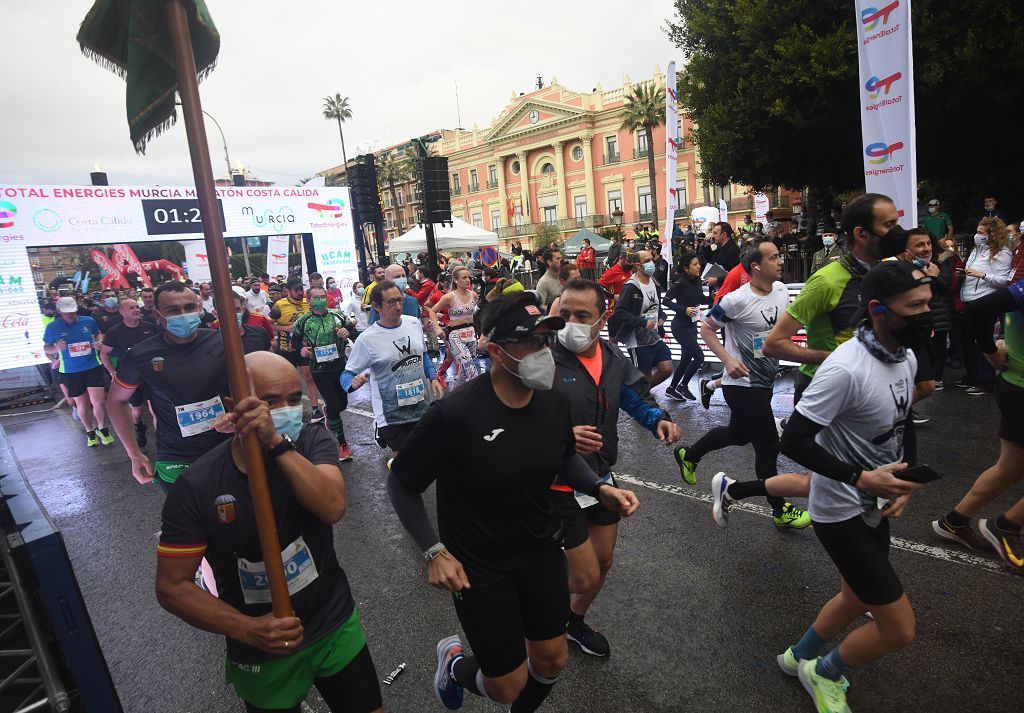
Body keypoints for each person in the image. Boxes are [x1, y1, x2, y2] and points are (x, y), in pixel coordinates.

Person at [386, 291, 639, 711]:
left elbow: (562, 456)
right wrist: (434, 552)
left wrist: (599, 487)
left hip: (539, 549)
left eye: (544, 340)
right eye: (528, 341)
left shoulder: (553, 400)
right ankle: (453, 664)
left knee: (553, 659)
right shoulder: (455, 414)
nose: (541, 351)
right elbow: (402, 485)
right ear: (495, 350)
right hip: (479, 566)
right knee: (505, 685)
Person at [155, 351, 384, 713]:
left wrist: (277, 443)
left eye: (294, 399)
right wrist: (247, 629)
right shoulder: (197, 486)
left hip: (333, 620)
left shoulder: (312, 441)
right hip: (264, 646)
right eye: (270, 401)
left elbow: (331, 507)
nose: (286, 409)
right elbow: (172, 587)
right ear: (235, 406)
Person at [775, 261, 932, 713]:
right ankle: (824, 672)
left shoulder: (905, 356)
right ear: (879, 309)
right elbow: (795, 440)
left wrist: (903, 479)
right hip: (840, 508)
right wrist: (861, 477)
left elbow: (902, 423)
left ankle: (797, 657)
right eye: (915, 306)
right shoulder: (845, 369)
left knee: (856, 595)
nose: (927, 314)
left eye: (928, 304)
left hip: (875, 504)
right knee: (899, 629)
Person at [552, 279, 679, 657]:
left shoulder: (611, 357)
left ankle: (571, 622)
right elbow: (517, 416)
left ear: (602, 319)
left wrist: (657, 418)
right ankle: (540, 613)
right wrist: (561, 435)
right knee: (584, 574)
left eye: (581, 315)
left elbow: (634, 397)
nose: (571, 322)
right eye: (564, 314)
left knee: (603, 560)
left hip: (599, 476)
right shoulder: (541, 357)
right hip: (556, 480)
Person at [674, 241, 810, 529]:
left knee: (737, 434)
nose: (781, 261)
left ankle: (690, 453)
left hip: (765, 379)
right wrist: (726, 361)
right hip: (742, 384)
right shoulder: (736, 300)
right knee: (768, 447)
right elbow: (707, 328)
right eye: (774, 257)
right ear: (756, 266)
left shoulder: (782, 291)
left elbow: (779, 330)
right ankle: (780, 508)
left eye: (779, 255)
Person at [763, 193, 909, 403]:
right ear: (861, 233)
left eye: (896, 223)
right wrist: (834, 359)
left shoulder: (888, 274)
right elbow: (773, 344)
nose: (897, 232)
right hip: (823, 387)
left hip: (869, 387)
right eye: (889, 225)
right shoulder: (826, 281)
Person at [931, 274, 1024, 571]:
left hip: (1015, 386)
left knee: (1010, 467)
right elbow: (979, 308)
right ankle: (1006, 526)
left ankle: (954, 522)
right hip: (1020, 386)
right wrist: (990, 351)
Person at [106, 282, 231, 490]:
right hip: (176, 457)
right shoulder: (140, 354)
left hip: (226, 447)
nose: (183, 314)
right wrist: (134, 454)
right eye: (173, 310)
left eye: (189, 307)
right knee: (188, 521)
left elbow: (248, 386)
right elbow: (116, 401)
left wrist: (240, 415)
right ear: (157, 314)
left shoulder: (222, 341)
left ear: (199, 308)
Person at [341, 280, 444, 455]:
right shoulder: (367, 339)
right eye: (391, 302)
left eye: (400, 300)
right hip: (392, 416)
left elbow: (423, 354)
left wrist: (433, 377)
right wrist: (352, 383)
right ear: (376, 306)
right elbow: (346, 374)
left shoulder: (413, 323)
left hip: (420, 407)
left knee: (425, 460)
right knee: (408, 464)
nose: (398, 306)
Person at [292, 286, 355, 461]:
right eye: (316, 297)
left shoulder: (338, 315)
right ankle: (342, 444)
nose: (321, 299)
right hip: (319, 369)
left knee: (342, 404)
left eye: (323, 296)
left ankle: (328, 412)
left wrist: (347, 333)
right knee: (334, 404)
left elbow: (354, 333)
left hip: (339, 365)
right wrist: (302, 350)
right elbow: (295, 341)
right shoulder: (303, 321)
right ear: (309, 300)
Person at [43, 296, 114, 447]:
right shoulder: (53, 327)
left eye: (73, 311)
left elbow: (97, 333)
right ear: (60, 311)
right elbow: (46, 348)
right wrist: (56, 349)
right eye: (67, 312)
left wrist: (98, 341)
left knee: (99, 402)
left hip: (92, 366)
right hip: (70, 371)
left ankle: (103, 428)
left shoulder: (88, 321)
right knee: (83, 404)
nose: (70, 315)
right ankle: (90, 432)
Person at [957, 217, 1013, 395]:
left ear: (992, 235)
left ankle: (985, 381)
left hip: (985, 302)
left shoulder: (1002, 253)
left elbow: (1004, 282)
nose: (977, 235)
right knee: (967, 342)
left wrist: (982, 275)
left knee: (982, 341)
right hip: (969, 300)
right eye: (977, 231)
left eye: (981, 233)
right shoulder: (976, 250)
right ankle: (971, 377)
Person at [99, 298, 160, 447]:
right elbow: (104, 354)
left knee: (155, 410)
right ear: (122, 312)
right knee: (137, 411)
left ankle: (161, 440)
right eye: (131, 308)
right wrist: (113, 373)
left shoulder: (150, 327)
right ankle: (139, 427)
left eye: (137, 307)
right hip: (131, 378)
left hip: (152, 375)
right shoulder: (115, 332)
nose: (136, 310)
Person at [608, 250, 673, 386]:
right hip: (637, 341)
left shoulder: (655, 282)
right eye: (647, 261)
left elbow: (657, 306)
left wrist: (662, 317)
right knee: (644, 378)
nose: (652, 264)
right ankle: (640, 398)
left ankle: (641, 395)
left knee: (667, 369)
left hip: (654, 336)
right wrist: (642, 322)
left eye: (651, 260)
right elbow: (620, 312)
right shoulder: (631, 287)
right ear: (638, 265)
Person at [270, 278, 321, 419]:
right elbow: (268, 325)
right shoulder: (279, 305)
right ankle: (288, 410)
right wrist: (285, 328)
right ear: (288, 291)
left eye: (301, 290)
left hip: (303, 348)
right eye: (296, 290)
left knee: (309, 376)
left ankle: (315, 409)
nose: (300, 293)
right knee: (288, 381)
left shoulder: (307, 303)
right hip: (286, 349)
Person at [663, 251, 707, 400]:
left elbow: (701, 299)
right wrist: (684, 309)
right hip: (680, 327)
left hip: (692, 325)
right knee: (699, 358)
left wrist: (713, 298)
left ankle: (671, 388)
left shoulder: (697, 281)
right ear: (686, 268)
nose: (698, 266)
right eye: (695, 264)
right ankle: (683, 386)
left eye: (698, 263)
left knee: (686, 358)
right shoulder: (680, 283)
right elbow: (666, 301)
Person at [428, 266, 480, 389]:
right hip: (455, 335)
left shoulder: (474, 295)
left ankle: (455, 395)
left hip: (471, 334)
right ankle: (479, 395)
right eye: (464, 277)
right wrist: (438, 329)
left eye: (469, 277)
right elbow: (432, 311)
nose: (468, 280)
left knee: (463, 371)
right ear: (456, 280)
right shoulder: (449, 297)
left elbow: (473, 313)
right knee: (470, 368)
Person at [704, 222, 741, 288]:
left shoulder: (734, 250)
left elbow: (736, 274)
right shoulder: (720, 246)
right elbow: (710, 261)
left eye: (715, 233)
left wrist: (717, 280)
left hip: (727, 289)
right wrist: (707, 245)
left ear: (723, 234)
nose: (712, 236)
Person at [535, 247, 563, 311]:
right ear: (549, 262)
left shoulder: (565, 276)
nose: (561, 261)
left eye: (561, 258)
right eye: (558, 259)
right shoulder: (543, 282)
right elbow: (540, 307)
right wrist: (556, 308)